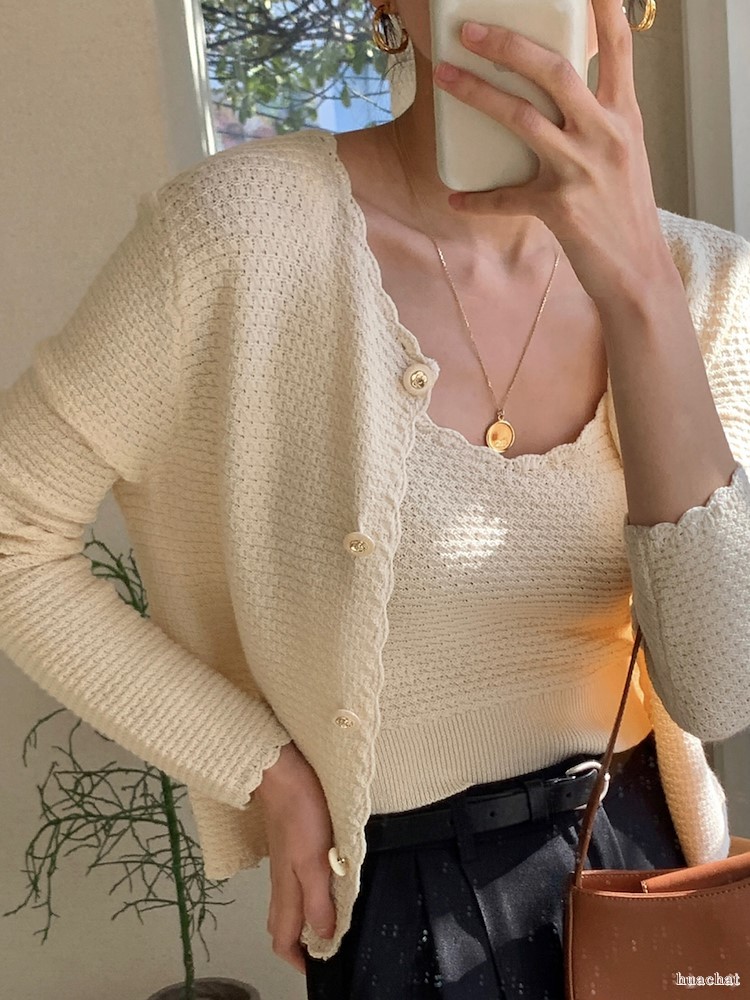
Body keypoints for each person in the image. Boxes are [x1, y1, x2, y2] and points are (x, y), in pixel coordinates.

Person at [1, 0, 749, 997]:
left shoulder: (704, 285)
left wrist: (641, 288)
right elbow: (14, 535)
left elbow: (717, 691)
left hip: (643, 873)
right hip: (402, 912)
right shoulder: (236, 236)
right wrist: (262, 768)